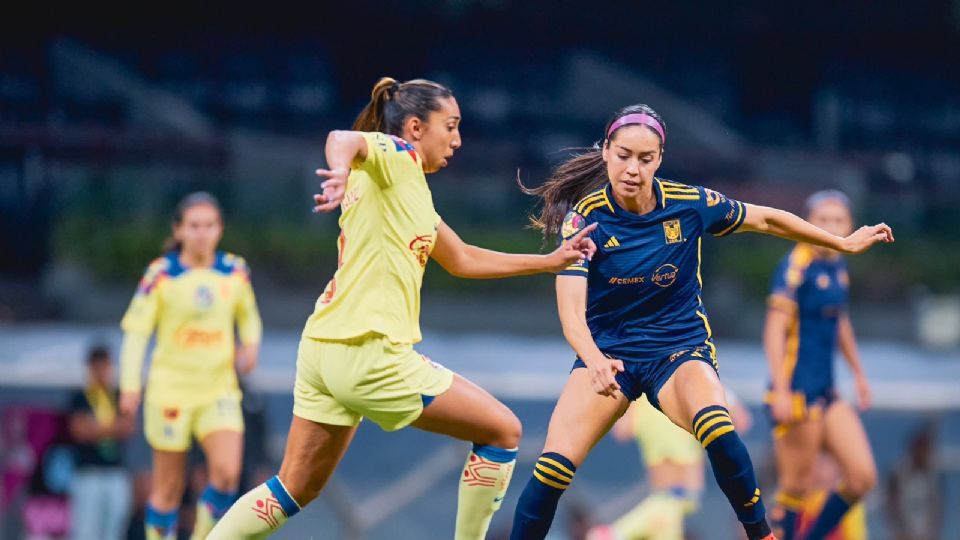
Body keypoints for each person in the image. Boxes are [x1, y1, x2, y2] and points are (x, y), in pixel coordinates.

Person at [207, 77, 597, 540]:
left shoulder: (407, 189)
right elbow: (343, 139)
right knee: (503, 432)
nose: (458, 139)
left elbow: (464, 258)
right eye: (450, 126)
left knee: (293, 488)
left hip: (322, 350)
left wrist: (550, 262)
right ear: (415, 128)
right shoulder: (399, 156)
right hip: (370, 352)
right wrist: (336, 171)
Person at [508, 104, 894, 540]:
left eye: (645, 158)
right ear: (607, 153)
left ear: (660, 159)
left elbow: (766, 218)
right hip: (609, 357)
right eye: (623, 155)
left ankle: (763, 535)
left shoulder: (690, 204)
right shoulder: (584, 219)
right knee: (552, 469)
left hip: (678, 350)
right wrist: (593, 358)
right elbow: (570, 308)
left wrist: (840, 242)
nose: (632, 168)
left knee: (717, 425)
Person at [119, 192, 263, 540]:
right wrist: (130, 384)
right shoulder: (161, 274)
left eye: (209, 225)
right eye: (194, 226)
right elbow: (137, 332)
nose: (202, 233)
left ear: (220, 229)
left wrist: (251, 346)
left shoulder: (235, 271)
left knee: (227, 473)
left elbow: (249, 318)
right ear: (179, 230)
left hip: (218, 389)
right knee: (169, 487)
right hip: (171, 392)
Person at [764, 191, 878, 540]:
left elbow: (839, 321)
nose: (831, 228)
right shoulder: (796, 266)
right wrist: (781, 390)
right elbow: (774, 331)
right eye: (823, 221)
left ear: (849, 224)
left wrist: (858, 374)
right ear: (808, 224)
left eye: (838, 221)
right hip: (796, 391)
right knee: (795, 486)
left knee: (862, 477)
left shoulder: (838, 264)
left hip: (827, 391)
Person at [587, 388, 752, 540]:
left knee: (605, 535)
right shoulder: (640, 397)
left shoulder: (690, 386)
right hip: (664, 501)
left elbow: (741, 420)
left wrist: (712, 391)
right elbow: (622, 431)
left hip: (680, 497)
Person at [67, 345, 136, 540]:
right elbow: (79, 430)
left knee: (115, 530)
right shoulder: (80, 396)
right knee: (86, 531)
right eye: (96, 367)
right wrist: (113, 427)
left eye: (104, 366)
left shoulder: (118, 394)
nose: (101, 372)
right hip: (88, 473)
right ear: (89, 368)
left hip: (116, 472)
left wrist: (96, 428)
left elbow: (129, 428)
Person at [886, 426, 944, 540]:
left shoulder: (933, 476)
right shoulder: (898, 474)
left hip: (926, 534)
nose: (927, 455)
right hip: (903, 534)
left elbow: (937, 507)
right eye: (923, 450)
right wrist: (901, 532)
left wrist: (932, 532)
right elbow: (892, 506)